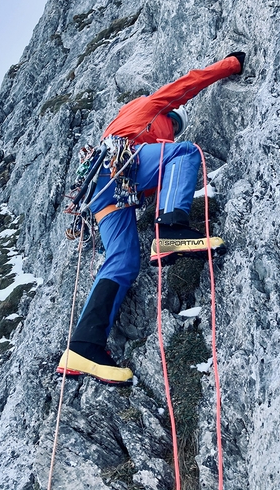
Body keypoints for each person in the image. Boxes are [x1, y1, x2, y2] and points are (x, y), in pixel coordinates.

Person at [57, 52, 246, 385]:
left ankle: (84, 346)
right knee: (184, 152)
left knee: (122, 261)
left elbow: (155, 181)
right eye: (173, 124)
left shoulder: (132, 128)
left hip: (103, 189)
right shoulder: (149, 108)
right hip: (119, 162)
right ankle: (172, 232)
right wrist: (230, 64)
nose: (171, 130)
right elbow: (185, 85)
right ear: (170, 116)